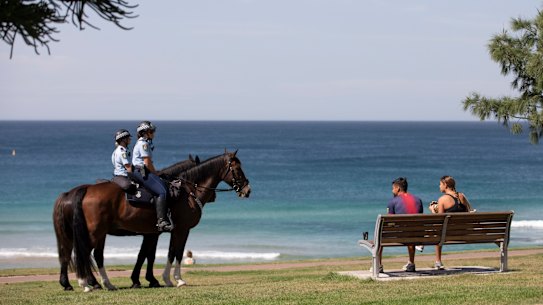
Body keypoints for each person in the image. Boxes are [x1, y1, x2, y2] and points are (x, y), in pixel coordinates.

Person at [132, 121, 173, 232]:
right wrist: (155, 174)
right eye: (151, 131)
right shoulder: (144, 144)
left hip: (140, 170)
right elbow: (147, 162)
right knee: (162, 192)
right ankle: (161, 221)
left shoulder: (143, 143)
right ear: (145, 133)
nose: (153, 134)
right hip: (142, 171)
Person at [376, 177, 423, 273]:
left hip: (399, 235)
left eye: (393, 188)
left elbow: (389, 222)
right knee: (411, 230)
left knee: (380, 235)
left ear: (397, 188)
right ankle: (411, 263)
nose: (392, 190)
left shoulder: (393, 202)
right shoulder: (418, 200)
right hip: (416, 234)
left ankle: (379, 265)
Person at [430, 175, 473, 270]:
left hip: (447, 234)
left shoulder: (442, 199)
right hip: (464, 232)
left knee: (437, 231)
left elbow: (439, 220)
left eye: (440, 184)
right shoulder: (461, 196)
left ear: (445, 185)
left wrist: (433, 210)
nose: (439, 186)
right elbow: (469, 212)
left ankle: (438, 261)